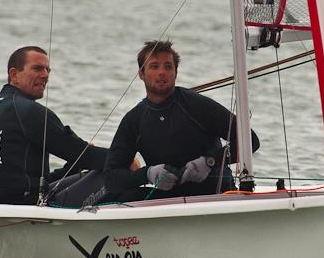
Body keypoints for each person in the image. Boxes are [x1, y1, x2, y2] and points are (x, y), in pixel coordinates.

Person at [103, 40, 259, 202]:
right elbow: (111, 177)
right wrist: (148, 174)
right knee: (117, 195)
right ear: (141, 74)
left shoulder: (196, 105)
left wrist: (209, 162)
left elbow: (251, 140)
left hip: (214, 195)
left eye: (168, 66)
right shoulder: (134, 120)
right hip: (169, 199)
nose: (162, 72)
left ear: (176, 73)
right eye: (154, 66)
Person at [0, 46, 108, 206]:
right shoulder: (27, 110)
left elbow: (35, 183)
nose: (45, 75)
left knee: (92, 169)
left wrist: (75, 166)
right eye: (38, 69)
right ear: (14, 75)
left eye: (48, 70)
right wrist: (123, 158)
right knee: (114, 174)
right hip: (22, 205)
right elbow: (80, 152)